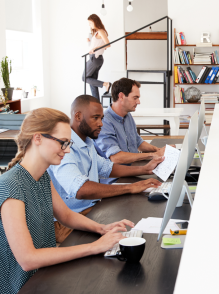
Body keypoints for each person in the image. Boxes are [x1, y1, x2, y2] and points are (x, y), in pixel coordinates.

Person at [0, 108, 133, 294]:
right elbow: (28, 259)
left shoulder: (41, 176)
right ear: (37, 138)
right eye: (62, 143)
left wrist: (102, 228)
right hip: (19, 290)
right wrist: (95, 247)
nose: (67, 150)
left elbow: (65, 215)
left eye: (68, 144)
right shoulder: (10, 188)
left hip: (42, 278)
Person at [48, 95, 163, 243]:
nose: (101, 123)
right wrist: (130, 187)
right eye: (95, 118)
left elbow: (106, 168)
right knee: (128, 231)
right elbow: (80, 190)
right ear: (78, 116)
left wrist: (145, 170)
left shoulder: (87, 142)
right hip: (67, 221)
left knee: (134, 222)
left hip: (90, 209)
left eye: (101, 118)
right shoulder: (65, 147)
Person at [95, 78, 169, 184]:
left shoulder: (127, 115)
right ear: (121, 96)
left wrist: (158, 150)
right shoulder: (105, 122)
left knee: (165, 180)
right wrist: (153, 155)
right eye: (135, 98)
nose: (138, 102)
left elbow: (138, 142)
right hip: (116, 180)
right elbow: (116, 158)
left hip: (132, 171)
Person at [83, 14, 112, 100]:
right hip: (95, 58)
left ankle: (105, 84)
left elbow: (108, 45)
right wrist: (89, 42)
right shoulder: (96, 32)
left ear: (95, 22)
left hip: (95, 59)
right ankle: (96, 103)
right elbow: (94, 46)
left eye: (90, 23)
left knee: (84, 78)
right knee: (92, 82)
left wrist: (96, 48)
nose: (89, 25)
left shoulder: (100, 31)